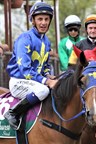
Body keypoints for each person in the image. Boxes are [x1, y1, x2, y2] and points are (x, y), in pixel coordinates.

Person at [4, 1, 58, 130]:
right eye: (40, 19)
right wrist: (46, 82)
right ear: (33, 20)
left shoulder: (46, 41)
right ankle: (13, 113)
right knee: (44, 90)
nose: (43, 22)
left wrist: (48, 75)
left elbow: (44, 65)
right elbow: (25, 70)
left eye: (46, 19)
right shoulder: (25, 38)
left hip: (34, 81)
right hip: (19, 81)